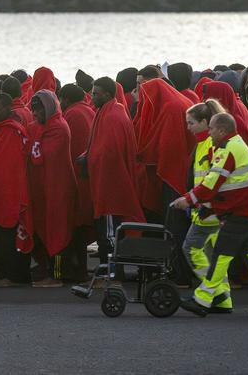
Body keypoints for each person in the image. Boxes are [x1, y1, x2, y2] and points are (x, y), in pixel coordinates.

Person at [172, 113, 248, 317]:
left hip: (238, 212)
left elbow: (212, 183)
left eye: (211, 128)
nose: (209, 132)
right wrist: (210, 207)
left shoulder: (227, 149)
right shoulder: (236, 144)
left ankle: (203, 299)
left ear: (222, 130)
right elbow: (230, 186)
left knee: (221, 255)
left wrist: (188, 199)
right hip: (245, 209)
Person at [134, 78, 196, 285]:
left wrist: (141, 155)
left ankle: (180, 273)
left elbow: (166, 146)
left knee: (174, 227)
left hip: (174, 177)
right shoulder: (180, 103)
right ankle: (181, 271)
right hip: (184, 173)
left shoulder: (170, 108)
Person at [84, 77, 145, 273]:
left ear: (108, 94)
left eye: (96, 93)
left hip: (111, 186)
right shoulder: (109, 111)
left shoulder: (113, 116)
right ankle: (107, 270)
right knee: (107, 231)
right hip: (106, 183)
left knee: (110, 234)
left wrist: (91, 158)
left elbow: (110, 153)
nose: (92, 97)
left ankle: (113, 273)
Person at [0, 93, 32, 287]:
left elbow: (11, 168)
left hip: (7, 193)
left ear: (8, 109)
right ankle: (4, 274)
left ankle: (11, 276)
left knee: (7, 235)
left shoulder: (11, 131)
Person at [27, 90, 76, 287]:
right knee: (45, 229)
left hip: (57, 188)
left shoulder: (58, 128)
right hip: (43, 188)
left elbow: (41, 156)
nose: (35, 115)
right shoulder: (42, 126)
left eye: (38, 112)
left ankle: (56, 275)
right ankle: (46, 267)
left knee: (58, 232)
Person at [182, 100, 227, 284]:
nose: (188, 127)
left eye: (191, 123)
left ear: (204, 122)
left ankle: (211, 291)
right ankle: (218, 295)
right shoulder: (203, 143)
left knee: (192, 249)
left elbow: (213, 177)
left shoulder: (209, 144)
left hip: (209, 209)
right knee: (211, 255)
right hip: (205, 207)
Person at [58, 83, 95, 280]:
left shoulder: (72, 114)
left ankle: (75, 270)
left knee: (73, 227)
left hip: (76, 177)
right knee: (80, 226)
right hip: (87, 176)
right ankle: (80, 269)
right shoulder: (88, 110)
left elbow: (68, 150)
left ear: (65, 99)